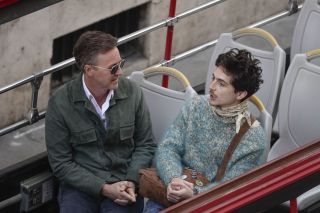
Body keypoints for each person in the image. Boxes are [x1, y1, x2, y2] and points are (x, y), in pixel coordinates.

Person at [45, 31, 156, 213]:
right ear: (89, 70)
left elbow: (146, 144)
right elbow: (61, 163)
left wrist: (132, 181)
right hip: (80, 189)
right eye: (113, 68)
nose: (120, 72)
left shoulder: (133, 93)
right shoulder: (60, 103)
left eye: (121, 64)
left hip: (124, 182)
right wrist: (103, 188)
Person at [143, 48, 266, 212]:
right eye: (213, 78)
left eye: (221, 84)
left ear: (241, 93)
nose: (211, 87)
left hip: (213, 205)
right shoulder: (196, 105)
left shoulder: (253, 137)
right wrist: (173, 179)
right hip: (173, 190)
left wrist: (194, 193)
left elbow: (232, 188)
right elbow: (168, 147)